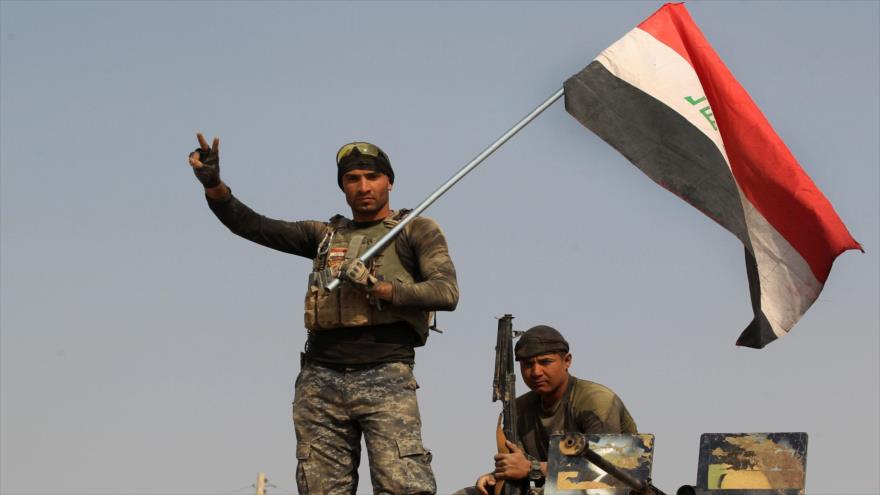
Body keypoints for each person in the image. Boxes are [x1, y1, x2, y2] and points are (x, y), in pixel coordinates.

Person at [187, 134, 459, 495]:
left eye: (372, 177)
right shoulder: (324, 236)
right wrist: (214, 185)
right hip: (321, 379)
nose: (364, 186)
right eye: (353, 179)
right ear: (343, 187)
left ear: (389, 181)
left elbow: (446, 292)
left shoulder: (415, 230)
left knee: (403, 487)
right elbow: (251, 225)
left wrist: (385, 289)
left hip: (385, 375)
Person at [457, 325, 637, 495]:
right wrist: (496, 476)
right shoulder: (518, 410)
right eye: (527, 364)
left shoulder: (594, 400)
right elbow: (518, 465)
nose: (535, 372)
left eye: (545, 362)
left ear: (567, 361)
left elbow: (607, 471)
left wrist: (533, 469)